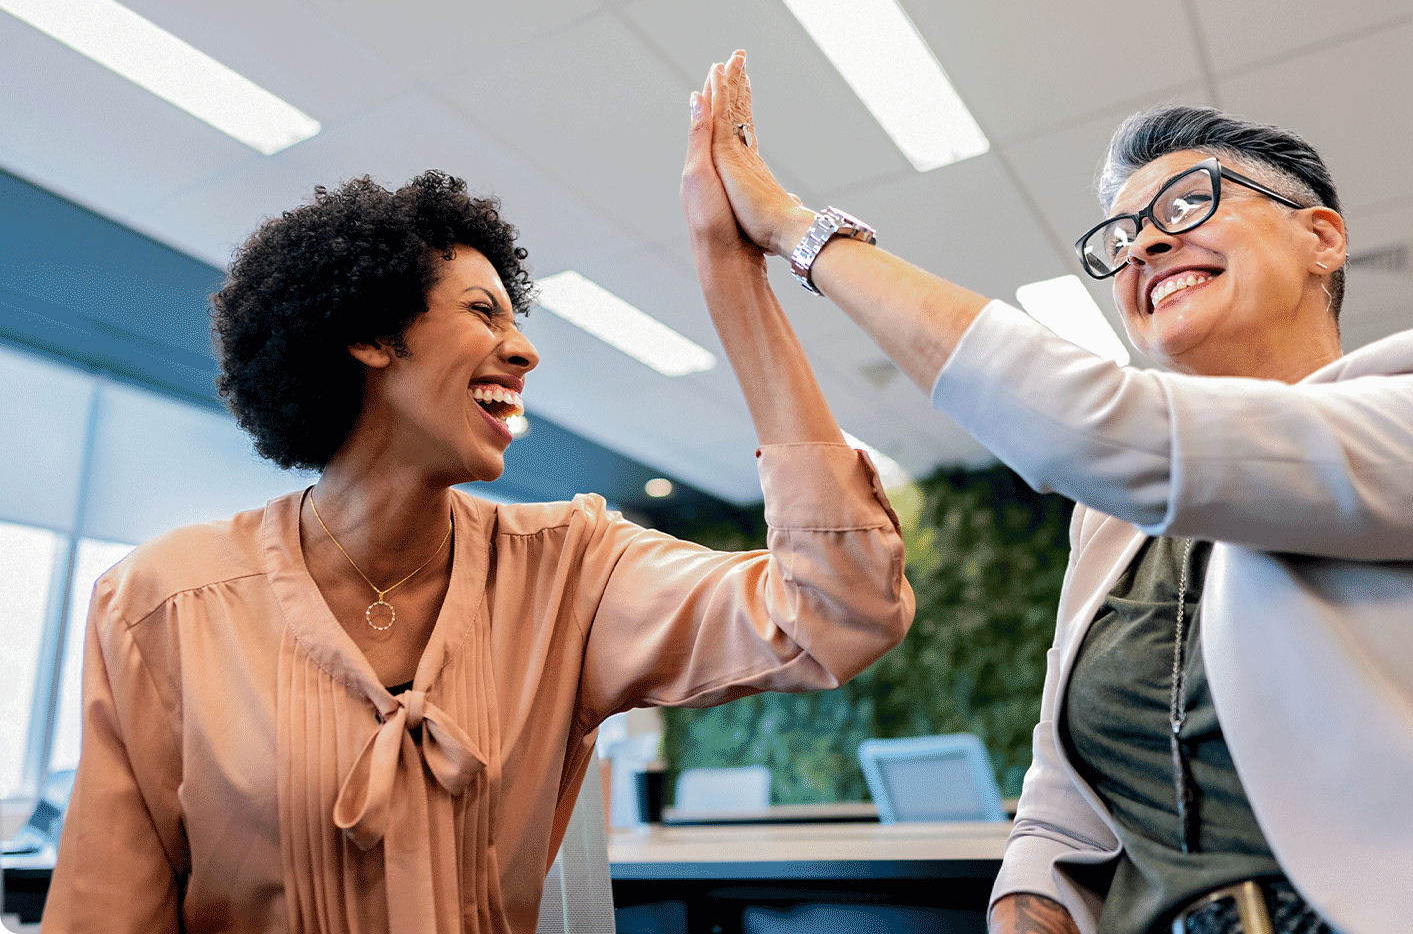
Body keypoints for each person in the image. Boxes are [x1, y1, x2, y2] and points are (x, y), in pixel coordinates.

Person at [691, 50, 1413, 934]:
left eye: (1189, 202)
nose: (1144, 243)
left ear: (1322, 238)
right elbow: (1062, 806)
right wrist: (1028, 909)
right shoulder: (1112, 524)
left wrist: (795, 230)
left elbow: (1109, 431)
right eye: (1118, 241)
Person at [42, 169, 914, 933]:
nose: (525, 349)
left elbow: (838, 609)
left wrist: (735, 281)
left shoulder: (572, 571)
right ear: (373, 335)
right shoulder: (161, 602)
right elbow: (104, 914)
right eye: (482, 310)